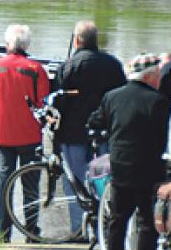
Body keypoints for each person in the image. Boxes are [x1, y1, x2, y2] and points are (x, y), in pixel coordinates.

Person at [88, 54, 170, 250]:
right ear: (151, 76)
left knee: (117, 221)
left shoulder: (112, 97)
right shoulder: (159, 101)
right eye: (158, 75)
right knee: (147, 224)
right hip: (148, 170)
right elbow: (163, 136)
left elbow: (95, 122)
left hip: (120, 168)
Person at [54, 20, 126, 238]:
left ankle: (79, 229)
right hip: (103, 132)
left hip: (72, 133)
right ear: (96, 40)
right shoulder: (112, 65)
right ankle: (105, 228)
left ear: (76, 40)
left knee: (74, 181)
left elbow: (58, 101)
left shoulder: (68, 66)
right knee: (102, 180)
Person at [0, 24, 50, 243]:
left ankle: (2, 232)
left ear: (7, 44)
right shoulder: (36, 69)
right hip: (30, 135)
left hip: (2, 133)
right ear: (27, 44)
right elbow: (43, 102)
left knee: (4, 181)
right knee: (30, 183)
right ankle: (31, 231)